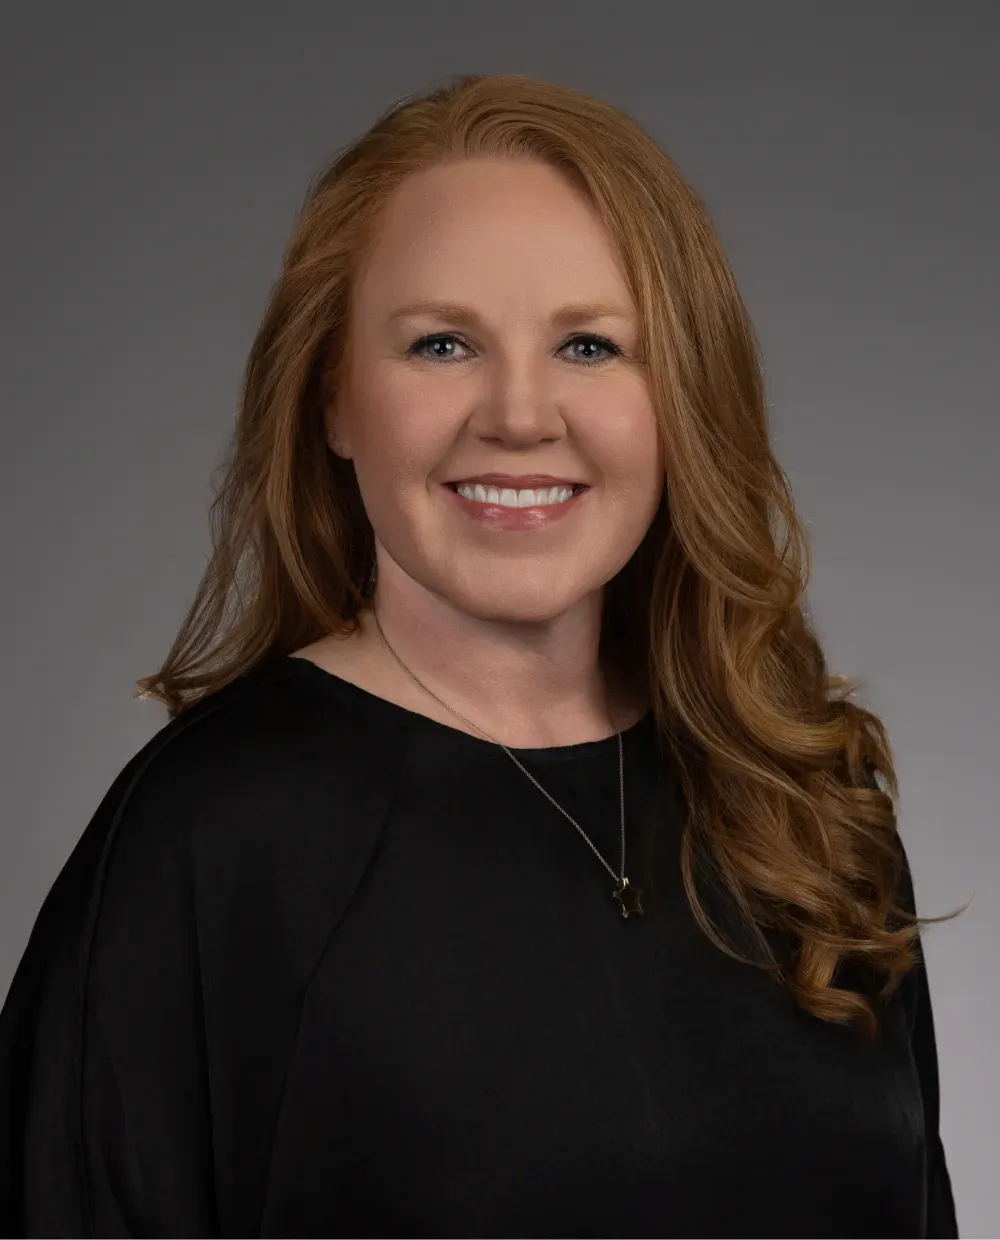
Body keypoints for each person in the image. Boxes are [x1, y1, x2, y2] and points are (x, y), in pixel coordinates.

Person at [0, 72, 966, 1239]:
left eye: (591, 345)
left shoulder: (802, 803)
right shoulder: (208, 838)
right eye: (443, 343)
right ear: (332, 400)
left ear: (683, 398)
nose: (518, 413)